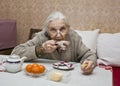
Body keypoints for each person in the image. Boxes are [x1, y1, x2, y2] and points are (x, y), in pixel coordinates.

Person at [11, 11, 97, 74]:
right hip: (44, 76)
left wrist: (89, 62)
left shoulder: (74, 37)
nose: (58, 35)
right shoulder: (41, 37)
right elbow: (16, 52)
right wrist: (40, 49)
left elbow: (89, 55)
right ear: (47, 30)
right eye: (53, 30)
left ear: (68, 28)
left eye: (62, 29)